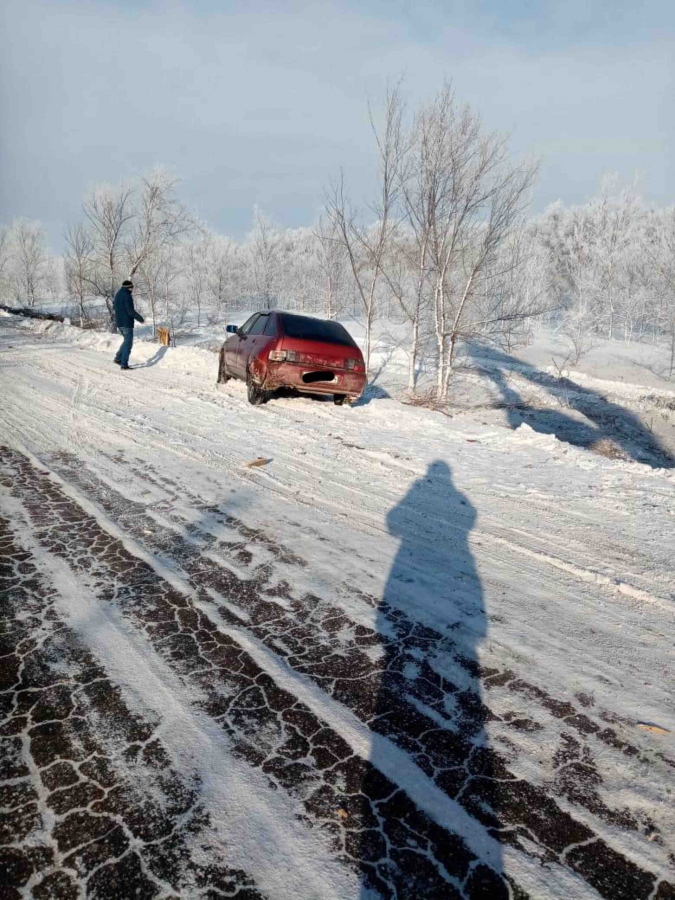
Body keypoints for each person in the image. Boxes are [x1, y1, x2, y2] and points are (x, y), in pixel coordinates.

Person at [113, 279, 144, 369]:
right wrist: (140, 318)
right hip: (126, 323)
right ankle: (124, 364)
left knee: (126, 341)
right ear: (129, 288)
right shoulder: (127, 296)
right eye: (132, 288)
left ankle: (118, 358)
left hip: (119, 322)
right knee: (128, 344)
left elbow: (114, 306)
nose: (132, 290)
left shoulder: (118, 294)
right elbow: (130, 311)